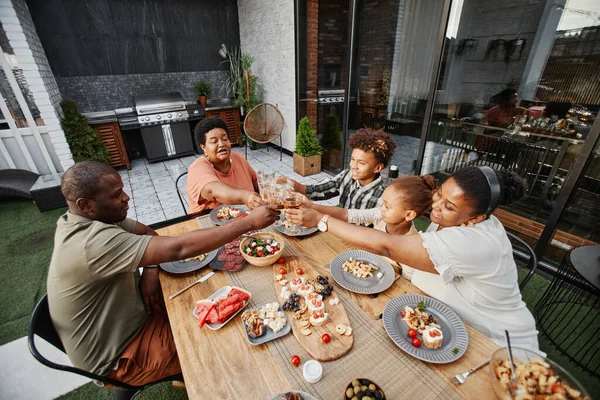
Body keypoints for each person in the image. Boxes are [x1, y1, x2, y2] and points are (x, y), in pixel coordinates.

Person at [47, 161, 280, 386]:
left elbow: (148, 232)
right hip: (120, 356)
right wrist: (248, 223)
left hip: (136, 315)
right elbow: (178, 248)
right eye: (117, 194)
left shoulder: (90, 219)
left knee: (211, 307)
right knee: (221, 340)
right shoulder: (91, 243)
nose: (126, 198)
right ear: (86, 204)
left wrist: (150, 269)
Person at [284, 166, 540, 350]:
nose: (436, 206)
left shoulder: (476, 242)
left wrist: (321, 221)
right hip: (443, 319)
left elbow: (387, 246)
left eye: (449, 206)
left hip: (496, 341)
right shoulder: (448, 221)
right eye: (439, 194)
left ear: (477, 218)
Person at [285, 128, 396, 210]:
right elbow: (318, 190)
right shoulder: (347, 176)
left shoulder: (383, 197)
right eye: (352, 159)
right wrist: (293, 185)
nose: (353, 166)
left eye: (361, 163)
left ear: (377, 168)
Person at [187, 117, 263, 213]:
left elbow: (256, 181)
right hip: (209, 221)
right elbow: (214, 191)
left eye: (224, 139)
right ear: (203, 147)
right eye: (214, 141)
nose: (221, 144)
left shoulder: (238, 158)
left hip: (245, 217)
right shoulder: (197, 168)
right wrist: (245, 196)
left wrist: (275, 185)